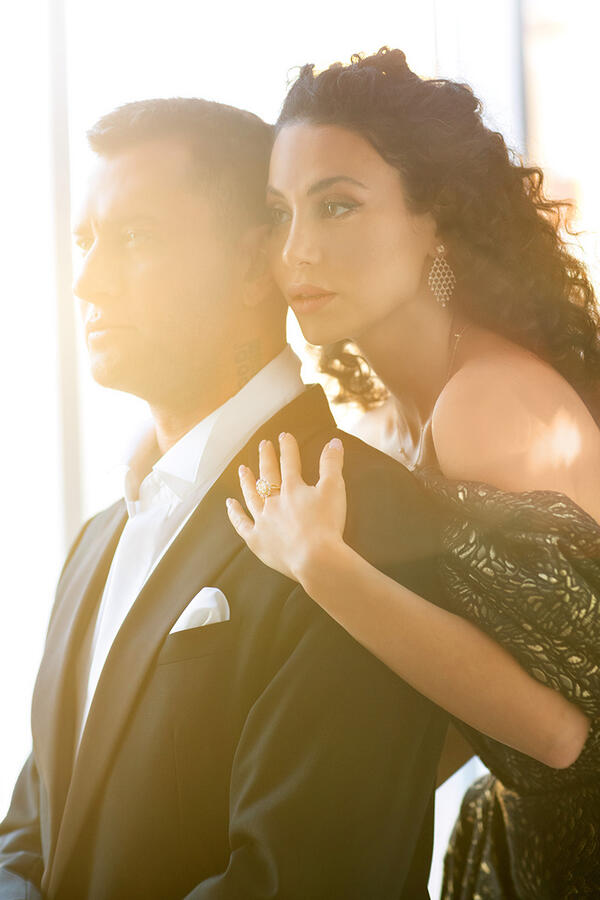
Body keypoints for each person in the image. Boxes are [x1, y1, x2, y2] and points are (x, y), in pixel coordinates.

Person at [0, 97, 455, 900]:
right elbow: (28, 835)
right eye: (86, 241)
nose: (87, 281)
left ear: (254, 266)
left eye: (135, 238)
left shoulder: (360, 515)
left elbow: (302, 880)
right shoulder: (96, 539)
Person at [225, 49, 600, 899]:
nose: (296, 250)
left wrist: (321, 565)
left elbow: (563, 734)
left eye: (337, 205)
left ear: (438, 217)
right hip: (519, 845)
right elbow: (467, 695)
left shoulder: (489, 405)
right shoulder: (391, 426)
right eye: (279, 213)